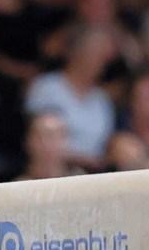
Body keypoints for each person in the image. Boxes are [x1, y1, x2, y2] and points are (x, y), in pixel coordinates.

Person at [24, 25, 117, 172]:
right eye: (95, 54)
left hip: (95, 174)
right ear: (77, 53)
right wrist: (84, 160)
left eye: (104, 58)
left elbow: (107, 145)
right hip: (53, 172)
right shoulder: (46, 88)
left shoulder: (101, 99)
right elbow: (37, 139)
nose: (101, 62)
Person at [17, 111, 80, 181]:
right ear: (28, 141)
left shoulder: (82, 180)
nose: (45, 142)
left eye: (52, 136)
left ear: (66, 140)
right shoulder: (17, 184)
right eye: (39, 137)